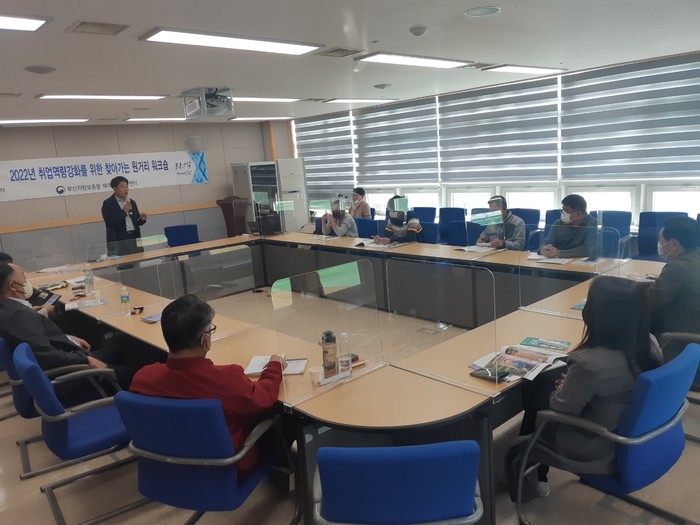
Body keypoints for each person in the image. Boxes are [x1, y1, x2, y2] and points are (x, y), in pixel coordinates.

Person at [506, 275, 662, 501]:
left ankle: (532, 468)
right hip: (631, 435)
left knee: (536, 387)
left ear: (597, 315)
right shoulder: (650, 343)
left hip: (597, 445)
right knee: (546, 381)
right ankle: (537, 474)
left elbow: (561, 407)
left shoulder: (589, 363)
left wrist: (562, 388)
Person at [129, 294, 287, 479]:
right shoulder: (227, 379)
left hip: (168, 463)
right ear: (205, 340)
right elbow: (265, 397)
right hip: (224, 467)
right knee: (284, 419)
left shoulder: (143, 377)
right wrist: (274, 366)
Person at [0, 263, 133, 391]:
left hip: (65, 359)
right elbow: (48, 357)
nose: (26, 281)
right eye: (23, 276)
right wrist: (86, 359)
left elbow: (38, 342)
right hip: (65, 376)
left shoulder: (9, 308)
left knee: (117, 354)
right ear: (13, 286)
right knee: (132, 374)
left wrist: (68, 338)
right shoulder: (17, 315)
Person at [645, 215, 700, 353]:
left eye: (660, 239)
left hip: (680, 342)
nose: (659, 243)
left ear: (673, 244)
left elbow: (648, 303)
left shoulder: (678, 268)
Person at [539, 194, 598, 258]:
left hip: (583, 261)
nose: (563, 213)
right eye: (563, 210)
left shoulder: (594, 224)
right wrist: (543, 249)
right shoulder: (558, 223)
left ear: (578, 213)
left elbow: (587, 249)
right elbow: (548, 242)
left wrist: (559, 253)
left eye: (566, 210)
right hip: (557, 260)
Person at [101, 176, 148, 256]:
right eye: (122, 187)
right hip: (119, 240)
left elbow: (137, 222)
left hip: (134, 238)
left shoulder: (131, 202)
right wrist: (123, 211)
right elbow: (110, 223)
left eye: (127, 186)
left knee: (138, 262)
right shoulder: (108, 204)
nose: (126, 189)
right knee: (123, 263)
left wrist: (142, 219)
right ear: (114, 188)